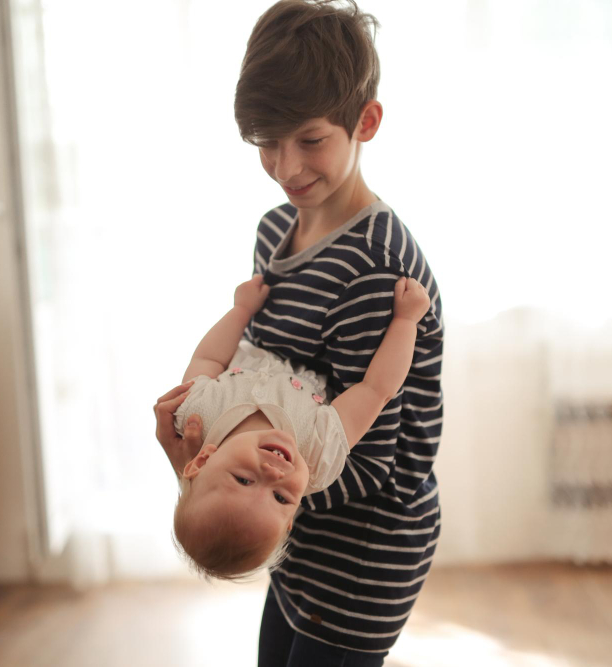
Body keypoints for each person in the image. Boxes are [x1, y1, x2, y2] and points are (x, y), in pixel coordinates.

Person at [155, 1, 443, 664]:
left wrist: (241, 473)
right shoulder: (274, 229)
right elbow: (252, 364)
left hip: (361, 550)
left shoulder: (374, 267)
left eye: (310, 140)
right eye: (268, 143)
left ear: (365, 122)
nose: (287, 168)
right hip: (291, 526)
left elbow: (372, 461)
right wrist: (220, 473)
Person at [163, 274, 429, 581]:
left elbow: (207, 357)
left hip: (268, 323)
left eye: (244, 480)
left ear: (202, 460)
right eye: (281, 498)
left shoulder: (196, 415)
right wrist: (406, 322)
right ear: (292, 518)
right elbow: (375, 389)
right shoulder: (318, 454)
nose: (274, 474)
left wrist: (241, 310)